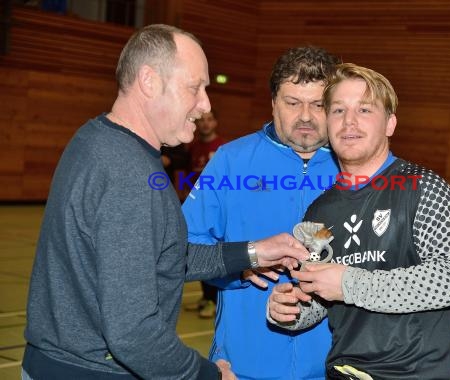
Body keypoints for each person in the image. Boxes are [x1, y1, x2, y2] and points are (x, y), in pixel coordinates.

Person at [22, 24, 310, 380]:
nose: (205, 105)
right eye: (195, 88)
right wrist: (210, 376)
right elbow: (133, 334)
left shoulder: (96, 139)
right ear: (149, 81)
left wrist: (251, 253)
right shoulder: (127, 173)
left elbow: (159, 255)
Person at [267, 63, 450, 379]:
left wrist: (350, 283)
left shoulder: (423, 187)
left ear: (390, 123)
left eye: (364, 110)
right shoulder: (319, 213)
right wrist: (292, 310)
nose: (349, 121)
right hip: (346, 372)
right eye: (338, 110)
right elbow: (322, 294)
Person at [182, 46, 340, 379]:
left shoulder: (356, 169)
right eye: (292, 103)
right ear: (273, 103)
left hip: (336, 367)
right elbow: (181, 250)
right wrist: (236, 266)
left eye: (318, 104)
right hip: (244, 366)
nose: (306, 116)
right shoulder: (231, 161)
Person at [186, 110, 226, 318]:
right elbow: (190, 176)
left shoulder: (221, 149)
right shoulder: (194, 147)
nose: (205, 124)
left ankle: (214, 300)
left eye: (210, 119)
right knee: (198, 249)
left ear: (216, 122)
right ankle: (205, 297)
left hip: (215, 208)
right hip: (197, 206)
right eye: (201, 120)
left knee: (212, 251)